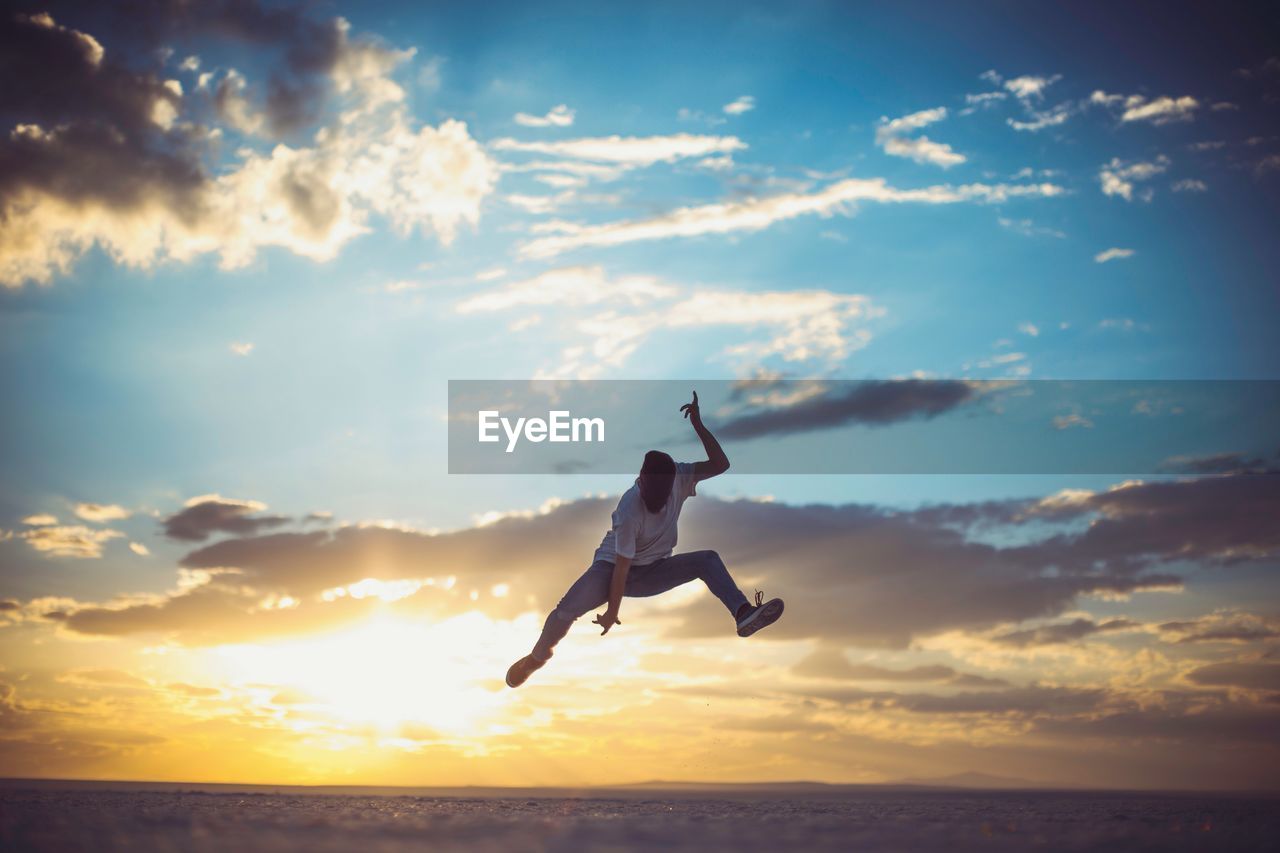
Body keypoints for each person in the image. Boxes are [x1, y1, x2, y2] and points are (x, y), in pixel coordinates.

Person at [506, 391, 784, 688]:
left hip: (653, 571)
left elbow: (720, 464)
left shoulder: (681, 475)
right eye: (652, 495)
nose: (658, 502)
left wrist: (699, 426)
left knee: (707, 560)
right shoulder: (629, 509)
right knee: (565, 611)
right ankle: (535, 660)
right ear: (641, 480)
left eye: (663, 496)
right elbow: (622, 569)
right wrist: (612, 612)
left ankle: (742, 613)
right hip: (610, 570)